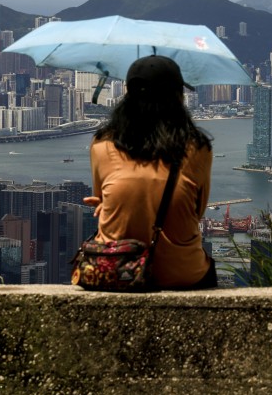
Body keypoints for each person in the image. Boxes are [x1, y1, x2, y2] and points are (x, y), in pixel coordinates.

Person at [83, 55, 217, 289]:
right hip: (182, 272)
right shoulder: (198, 148)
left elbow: (102, 198)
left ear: (128, 95)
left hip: (117, 268)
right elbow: (196, 211)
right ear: (178, 96)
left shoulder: (102, 144)